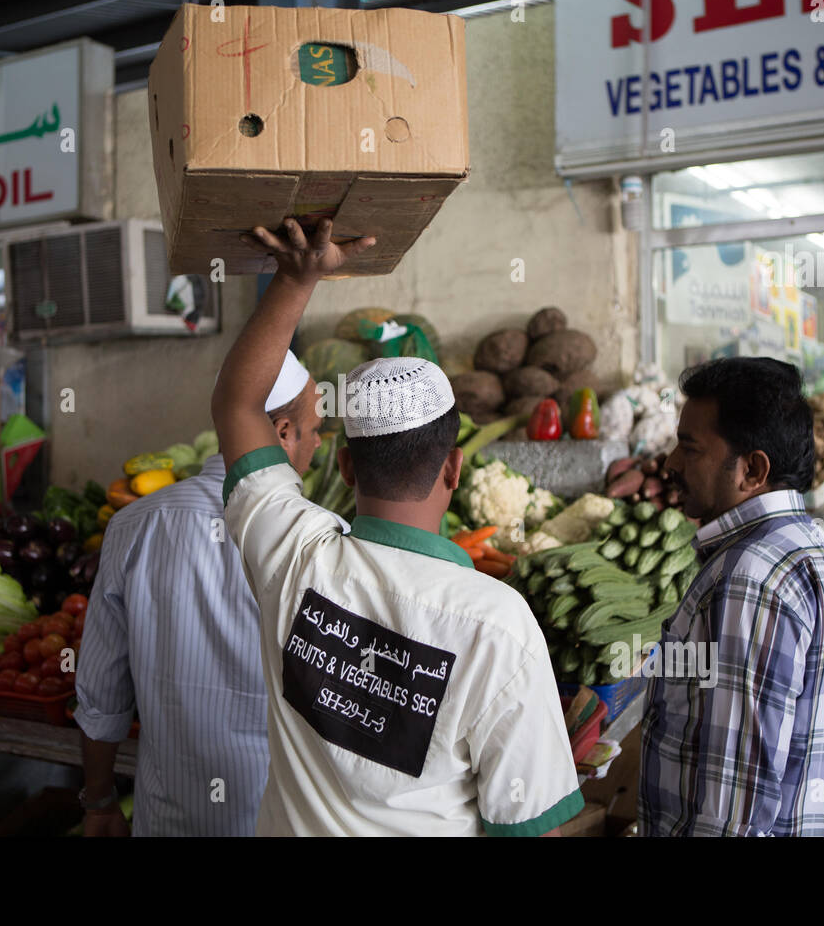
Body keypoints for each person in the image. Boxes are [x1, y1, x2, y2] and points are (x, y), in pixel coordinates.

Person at [211, 217, 582, 836]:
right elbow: (529, 826)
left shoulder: (295, 553)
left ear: (346, 466)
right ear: (455, 468)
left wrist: (298, 279)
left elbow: (237, 403)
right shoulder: (498, 625)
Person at [75, 350, 324, 836]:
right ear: (283, 433)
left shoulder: (133, 525)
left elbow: (101, 697)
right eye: (314, 431)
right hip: (282, 821)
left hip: (167, 818)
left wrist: (99, 799)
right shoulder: (323, 541)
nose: (316, 445)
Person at [638, 357, 824, 836]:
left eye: (689, 448)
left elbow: (732, 811)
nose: (671, 464)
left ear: (752, 469)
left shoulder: (748, 580)